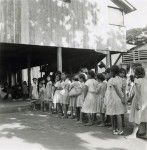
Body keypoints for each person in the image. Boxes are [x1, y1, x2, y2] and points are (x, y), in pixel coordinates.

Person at [105, 65, 126, 135]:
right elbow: (122, 89)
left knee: (113, 114)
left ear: (112, 72)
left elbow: (116, 90)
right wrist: (123, 97)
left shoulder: (112, 80)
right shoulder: (120, 79)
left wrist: (121, 97)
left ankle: (115, 128)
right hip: (118, 98)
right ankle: (119, 129)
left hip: (113, 98)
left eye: (110, 71)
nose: (110, 73)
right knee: (118, 114)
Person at [128, 66, 147, 139]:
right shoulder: (145, 80)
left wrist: (138, 103)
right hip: (145, 100)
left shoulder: (137, 80)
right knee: (144, 117)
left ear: (136, 73)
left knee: (137, 117)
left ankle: (133, 134)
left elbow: (138, 93)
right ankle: (145, 133)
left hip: (139, 100)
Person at [118, 68, 127, 134]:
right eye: (121, 72)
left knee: (122, 110)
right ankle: (121, 123)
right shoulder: (118, 79)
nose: (122, 74)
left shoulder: (124, 80)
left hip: (122, 95)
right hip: (118, 95)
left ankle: (122, 122)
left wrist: (123, 98)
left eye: (124, 73)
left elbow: (123, 90)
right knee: (120, 110)